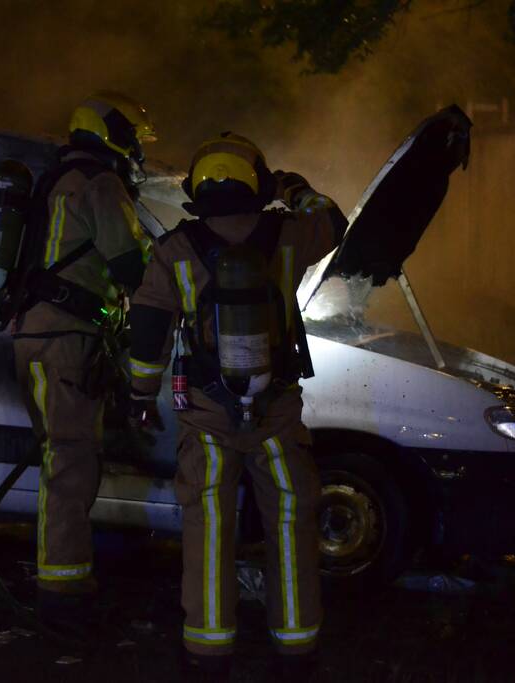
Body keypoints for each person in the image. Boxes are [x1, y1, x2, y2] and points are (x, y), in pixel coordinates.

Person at [127, 133, 347, 678]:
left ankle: (207, 650)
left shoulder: (175, 249)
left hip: (205, 416)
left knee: (209, 524)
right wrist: (294, 189)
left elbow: (148, 330)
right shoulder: (291, 235)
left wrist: (139, 396)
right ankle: (297, 645)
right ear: (257, 181)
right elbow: (335, 220)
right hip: (275, 415)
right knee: (291, 519)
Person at [12, 92, 156, 620]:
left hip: (36, 336)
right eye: (135, 137)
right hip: (64, 341)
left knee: (61, 455)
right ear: (114, 134)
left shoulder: (56, 178)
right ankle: (62, 589)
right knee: (70, 461)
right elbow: (132, 264)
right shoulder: (100, 183)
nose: (138, 148)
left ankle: (64, 573)